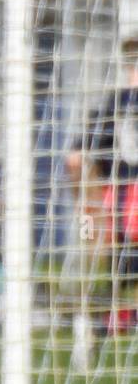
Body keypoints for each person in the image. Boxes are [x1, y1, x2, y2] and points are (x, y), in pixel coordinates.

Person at [66, 35, 138, 334]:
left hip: (119, 198)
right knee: (121, 262)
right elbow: (77, 155)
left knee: (116, 260)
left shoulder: (114, 103)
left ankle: (107, 316)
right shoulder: (115, 103)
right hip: (124, 196)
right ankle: (113, 316)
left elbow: (76, 155)